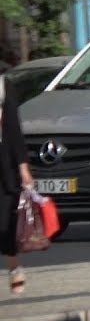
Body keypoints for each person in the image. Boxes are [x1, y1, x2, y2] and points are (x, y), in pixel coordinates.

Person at [0, 72, 36, 294]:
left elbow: (14, 128)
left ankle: (14, 267)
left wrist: (23, 166)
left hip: (3, 164)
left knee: (5, 221)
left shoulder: (3, 86)